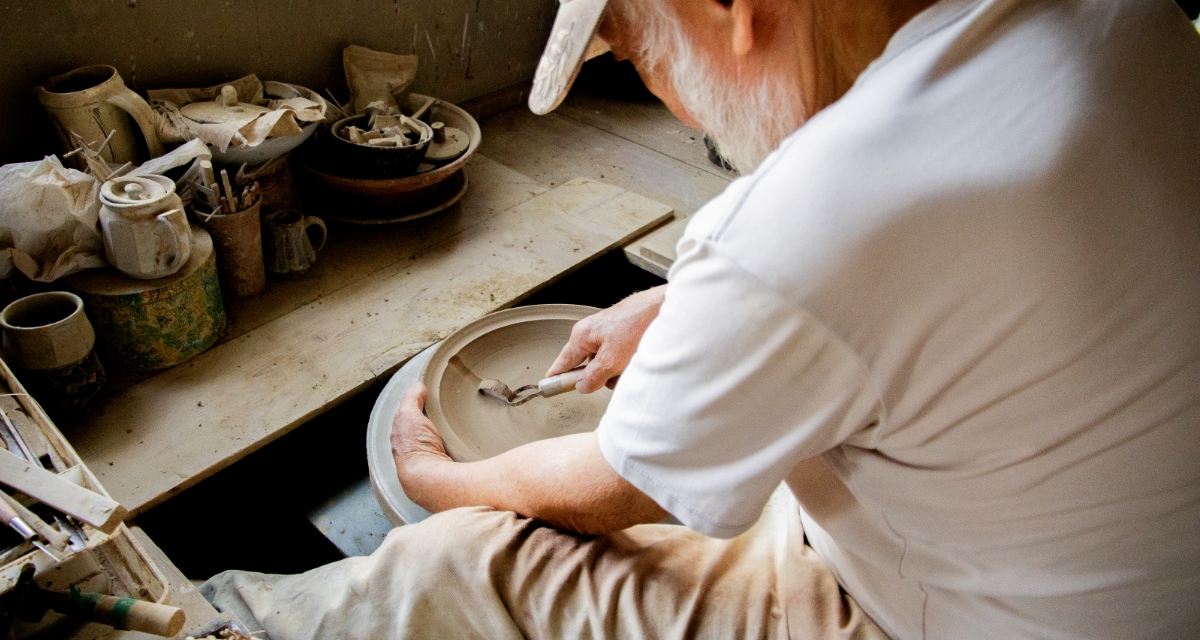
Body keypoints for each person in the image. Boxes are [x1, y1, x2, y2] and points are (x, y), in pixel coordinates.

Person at [202, 0, 1200, 637]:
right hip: (1123, 577)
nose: (678, 110)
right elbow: (929, 274)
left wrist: (439, 478)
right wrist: (681, 303)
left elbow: (618, 488)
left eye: (643, 55)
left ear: (731, 10)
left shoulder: (816, 211)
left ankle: (207, 622)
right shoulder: (1121, 20)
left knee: (459, 560)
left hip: (957, 617)